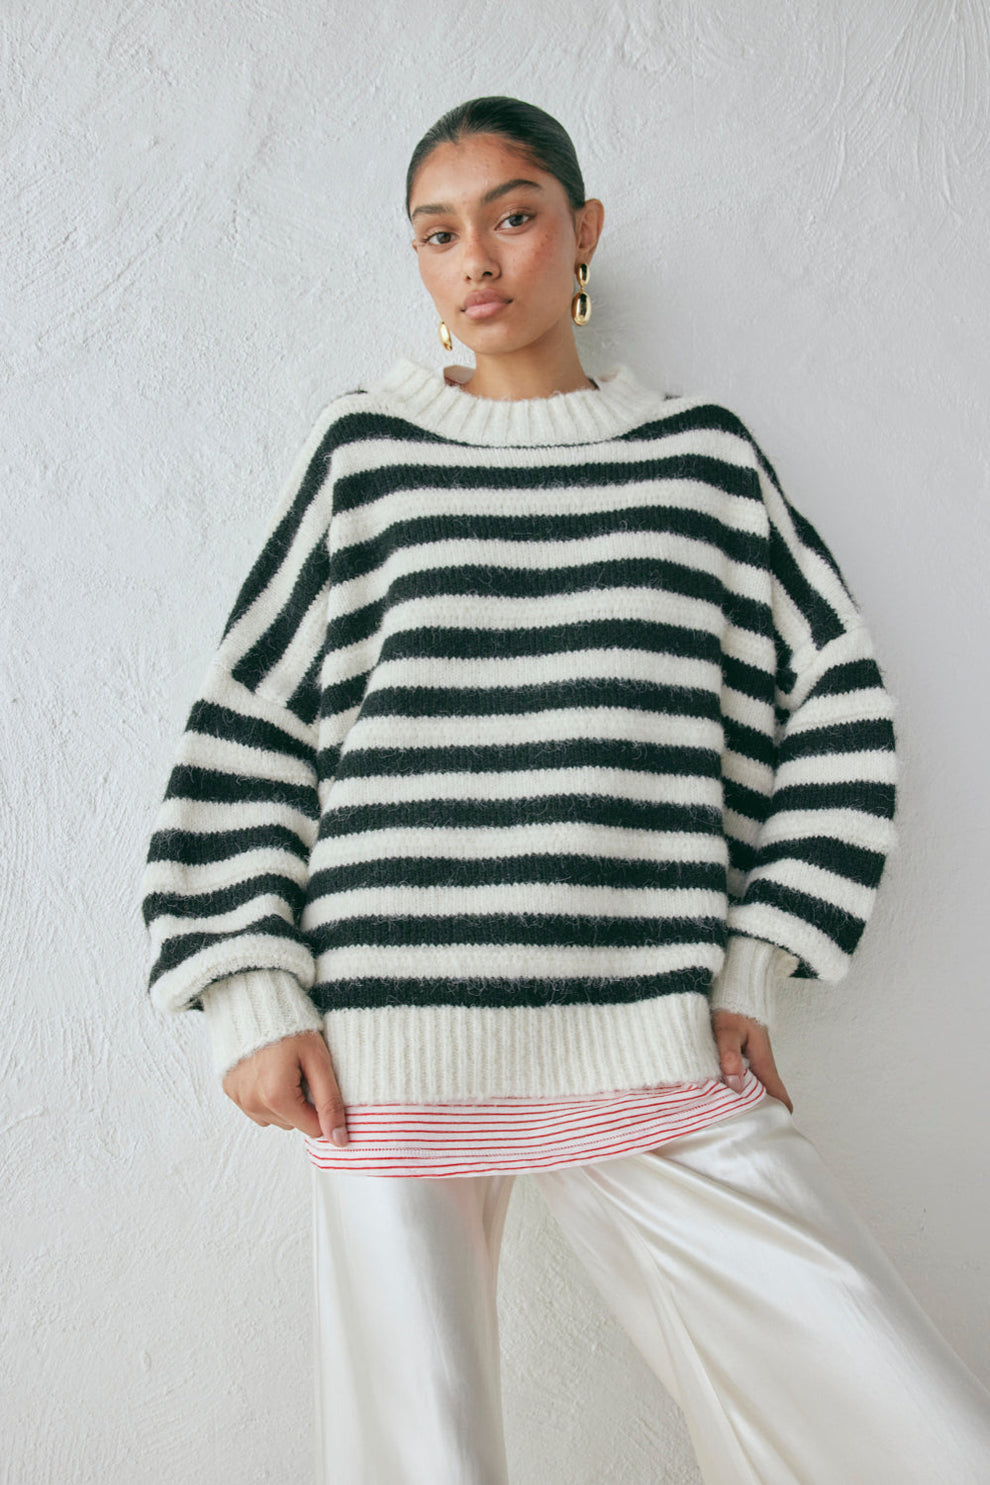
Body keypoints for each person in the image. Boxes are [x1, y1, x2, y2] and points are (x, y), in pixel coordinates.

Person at [140, 96, 990, 1483]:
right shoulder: (367, 457)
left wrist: (755, 958)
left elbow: (838, 699)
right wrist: (248, 984)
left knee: (887, 1414)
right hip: (387, 1035)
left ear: (582, 231)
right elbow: (255, 721)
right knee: (414, 1458)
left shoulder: (700, 460)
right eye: (437, 233)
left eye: (514, 215)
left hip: (645, 1023)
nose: (477, 259)